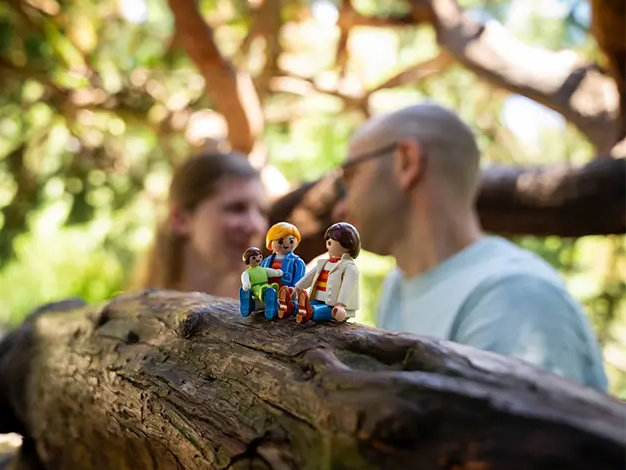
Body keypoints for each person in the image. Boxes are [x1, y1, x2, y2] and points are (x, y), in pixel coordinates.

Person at [333, 102, 608, 390]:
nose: (340, 206)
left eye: (348, 178)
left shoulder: (511, 296)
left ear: (406, 162)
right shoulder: (398, 284)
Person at [133, 151, 268, 299]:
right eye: (236, 208)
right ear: (180, 219)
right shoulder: (130, 315)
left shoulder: (270, 313)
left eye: (262, 212)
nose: (256, 226)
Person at [281, 222, 361, 324]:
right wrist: (297, 288)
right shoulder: (324, 263)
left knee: (324, 310)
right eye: (328, 240)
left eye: (333, 240)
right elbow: (310, 276)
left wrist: (341, 304)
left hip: (335, 307)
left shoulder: (349, 267)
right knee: (309, 304)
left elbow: (347, 287)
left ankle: (309, 312)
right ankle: (291, 307)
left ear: (348, 244)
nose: (328, 243)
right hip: (319, 299)